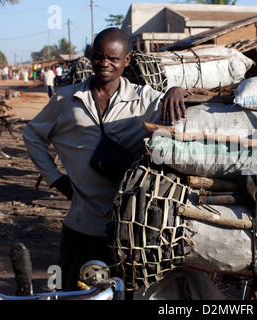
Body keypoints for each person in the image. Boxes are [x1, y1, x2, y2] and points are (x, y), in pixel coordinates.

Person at [22, 27, 188, 292]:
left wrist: (178, 90)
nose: (105, 64)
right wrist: (55, 179)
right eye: (99, 57)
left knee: (123, 291)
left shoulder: (144, 99)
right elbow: (32, 135)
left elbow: (179, 116)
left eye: (113, 58)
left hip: (129, 227)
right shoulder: (67, 98)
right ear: (91, 57)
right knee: (72, 291)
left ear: (127, 60)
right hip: (82, 223)